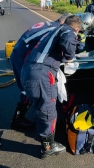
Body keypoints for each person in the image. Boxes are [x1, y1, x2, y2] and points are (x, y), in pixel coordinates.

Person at [21, 15, 82, 159]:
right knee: (47, 110)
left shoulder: (53, 30)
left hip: (29, 69)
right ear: (77, 29)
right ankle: (48, 147)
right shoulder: (67, 30)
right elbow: (68, 40)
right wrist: (70, 57)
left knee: (41, 107)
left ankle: (46, 137)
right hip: (41, 72)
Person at [9, 13, 72, 130]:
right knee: (27, 88)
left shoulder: (49, 24)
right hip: (23, 57)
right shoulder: (55, 29)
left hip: (19, 53)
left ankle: (25, 113)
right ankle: (18, 118)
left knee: (27, 87)